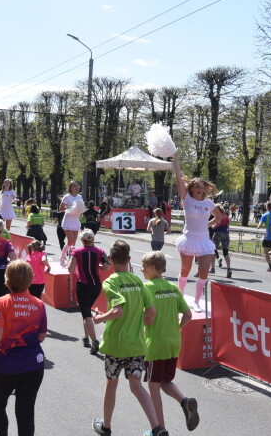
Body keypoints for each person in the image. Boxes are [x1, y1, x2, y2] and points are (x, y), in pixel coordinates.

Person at [92, 240, 165, 436]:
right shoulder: (138, 281)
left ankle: (106, 427)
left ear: (109, 259)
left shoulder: (110, 282)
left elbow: (117, 311)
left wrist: (99, 318)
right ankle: (157, 428)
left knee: (111, 384)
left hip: (116, 345)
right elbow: (151, 311)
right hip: (137, 345)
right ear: (129, 259)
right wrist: (136, 318)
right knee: (136, 386)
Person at [0, 260, 47, 436]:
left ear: (7, 280)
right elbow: (41, 337)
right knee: (25, 410)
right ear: (30, 280)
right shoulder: (39, 304)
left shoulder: (0, 302)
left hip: (5, 365)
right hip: (33, 365)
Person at [141, 252, 198, 433]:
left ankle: (159, 429)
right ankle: (185, 401)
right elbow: (188, 315)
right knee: (165, 381)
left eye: (143, 266)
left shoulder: (147, 287)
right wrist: (178, 328)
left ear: (152, 268)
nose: (141, 269)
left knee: (153, 387)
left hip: (155, 345)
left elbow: (148, 318)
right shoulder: (173, 288)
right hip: (173, 343)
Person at [171, 153, 222, 312]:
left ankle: (197, 301)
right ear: (191, 189)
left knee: (204, 272)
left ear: (204, 189)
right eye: (196, 187)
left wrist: (208, 225)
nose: (199, 189)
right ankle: (180, 298)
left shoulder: (208, 202)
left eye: (201, 187)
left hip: (204, 241)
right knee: (185, 271)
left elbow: (219, 216)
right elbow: (179, 180)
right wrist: (175, 161)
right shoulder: (187, 199)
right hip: (189, 239)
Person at [67, 229, 111, 354]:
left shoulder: (77, 252)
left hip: (83, 285)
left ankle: (94, 340)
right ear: (93, 239)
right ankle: (85, 337)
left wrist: (75, 266)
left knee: (86, 313)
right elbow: (107, 267)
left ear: (82, 240)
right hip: (96, 285)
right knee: (86, 311)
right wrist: (98, 266)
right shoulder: (101, 251)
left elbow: (70, 269)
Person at [59, 180, 83, 266]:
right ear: (70, 187)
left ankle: (70, 259)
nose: (76, 187)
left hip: (76, 220)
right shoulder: (67, 197)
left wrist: (81, 212)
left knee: (74, 243)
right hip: (68, 220)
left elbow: (81, 207)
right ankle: (61, 258)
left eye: (77, 186)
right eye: (74, 186)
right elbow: (61, 209)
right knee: (70, 242)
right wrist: (69, 209)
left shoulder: (80, 197)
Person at [212, 204, 232, 278]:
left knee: (212, 249)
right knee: (225, 252)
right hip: (226, 234)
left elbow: (217, 225)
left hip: (218, 233)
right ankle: (229, 268)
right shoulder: (226, 215)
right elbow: (228, 225)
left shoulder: (218, 216)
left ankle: (213, 268)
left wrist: (211, 226)